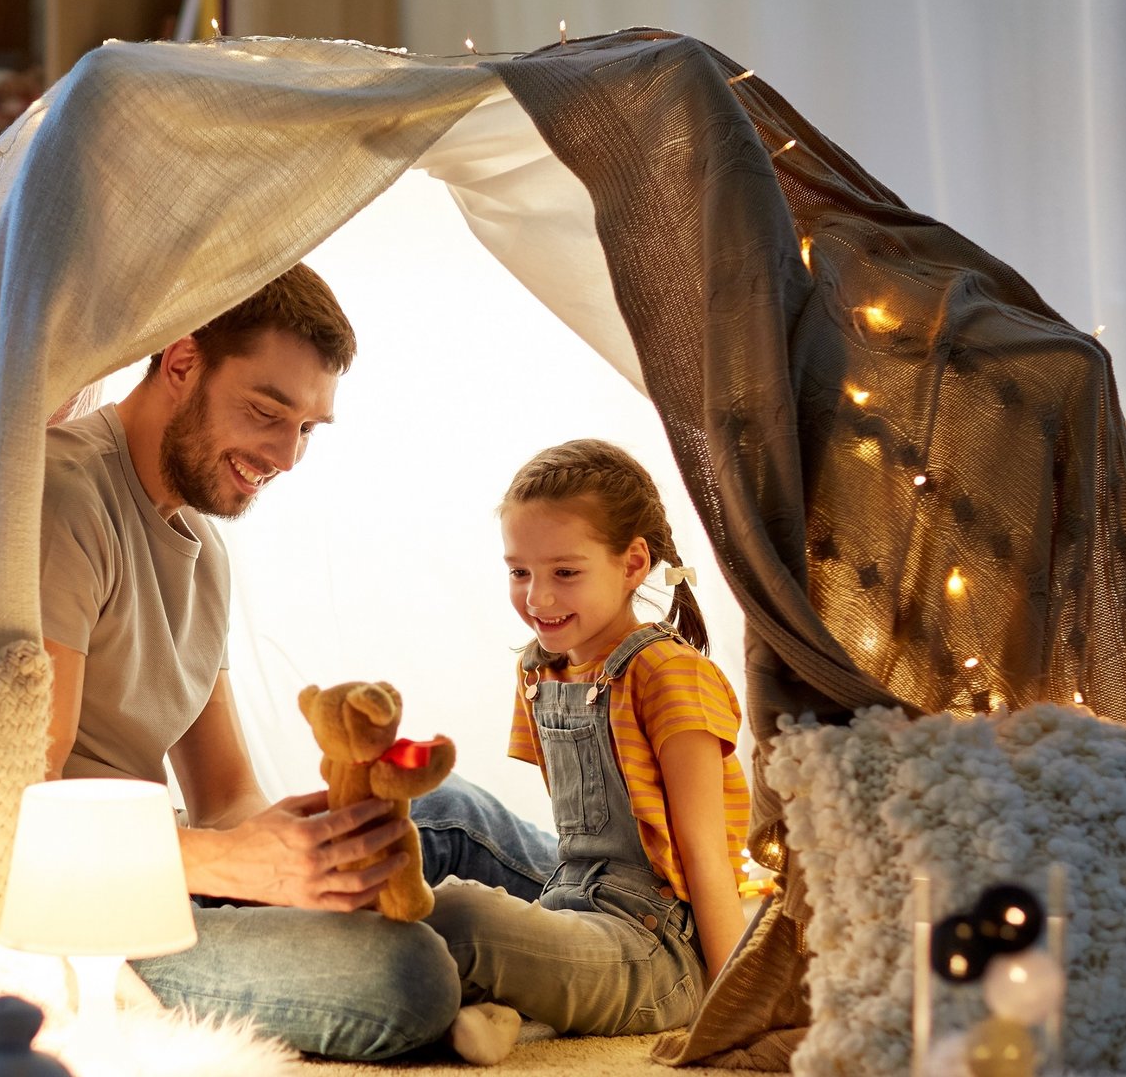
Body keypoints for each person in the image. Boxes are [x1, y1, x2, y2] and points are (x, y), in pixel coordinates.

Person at [37, 262, 559, 1061]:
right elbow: (18, 814)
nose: (287, 456)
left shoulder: (204, 549)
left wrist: (302, 844)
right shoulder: (66, 497)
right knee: (407, 976)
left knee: (443, 812)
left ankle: (649, 927)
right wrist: (233, 863)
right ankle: (563, 960)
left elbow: (223, 793)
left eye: (309, 428)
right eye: (266, 412)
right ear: (181, 363)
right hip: (90, 910)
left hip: (175, 866)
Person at [421, 439, 751, 1065]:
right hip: (572, 898)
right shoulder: (539, 672)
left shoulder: (669, 675)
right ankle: (507, 1008)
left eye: (565, 573)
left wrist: (736, 1006)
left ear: (632, 563)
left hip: (660, 950)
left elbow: (705, 857)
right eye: (520, 572)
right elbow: (580, 844)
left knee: (460, 914)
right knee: (430, 836)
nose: (537, 599)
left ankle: (488, 994)